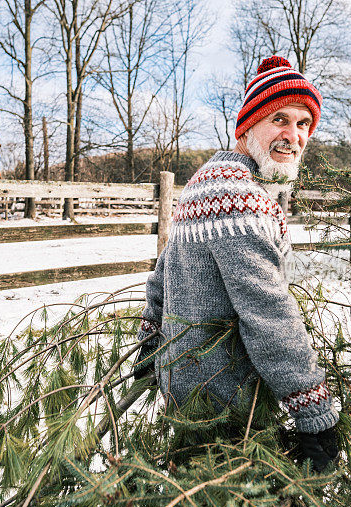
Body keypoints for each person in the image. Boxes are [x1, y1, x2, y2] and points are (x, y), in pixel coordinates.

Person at [135, 56, 339, 472]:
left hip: (188, 386)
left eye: (304, 124)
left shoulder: (205, 183)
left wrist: (151, 336)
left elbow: (164, 269)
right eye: (279, 119)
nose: (294, 135)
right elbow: (267, 312)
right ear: (247, 127)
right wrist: (313, 411)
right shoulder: (239, 200)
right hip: (226, 404)